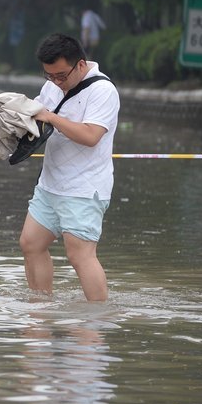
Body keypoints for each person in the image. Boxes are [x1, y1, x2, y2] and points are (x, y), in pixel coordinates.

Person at [18, 33, 120, 301]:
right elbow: (39, 121)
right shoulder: (52, 86)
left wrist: (50, 116)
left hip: (84, 187)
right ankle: (41, 309)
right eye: (49, 76)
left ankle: (96, 321)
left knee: (79, 255)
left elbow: (90, 136)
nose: (56, 82)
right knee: (31, 244)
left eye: (62, 76)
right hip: (51, 184)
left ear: (81, 65)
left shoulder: (103, 91)